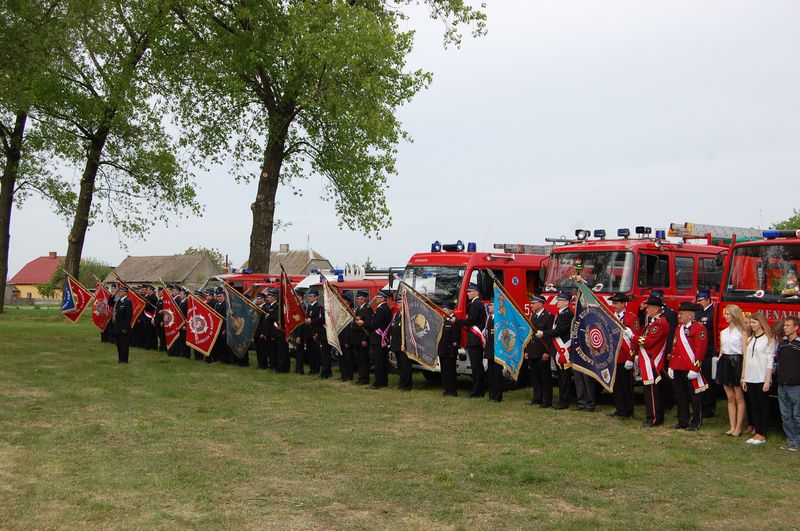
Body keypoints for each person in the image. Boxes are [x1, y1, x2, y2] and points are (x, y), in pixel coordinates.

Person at [668, 302, 708, 431]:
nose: (679, 316)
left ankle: (696, 422)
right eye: (680, 313)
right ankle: (682, 420)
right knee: (680, 396)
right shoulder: (678, 329)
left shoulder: (699, 328)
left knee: (695, 396)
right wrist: (671, 366)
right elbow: (674, 348)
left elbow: (700, 351)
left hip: (690, 368)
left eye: (682, 314)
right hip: (678, 367)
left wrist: (695, 368)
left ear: (691, 315)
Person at [636, 294, 671, 427]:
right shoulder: (654, 322)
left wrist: (632, 336)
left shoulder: (660, 323)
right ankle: (652, 416)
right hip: (649, 360)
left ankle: (655, 418)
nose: (647, 310)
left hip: (653, 361)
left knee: (652, 392)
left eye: (649, 308)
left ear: (656, 309)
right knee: (649, 391)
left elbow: (648, 342)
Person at [742, 312, 776, 445]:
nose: (751, 325)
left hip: (761, 377)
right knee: (753, 405)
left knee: (763, 405)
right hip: (750, 377)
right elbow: (747, 359)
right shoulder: (750, 339)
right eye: (750, 322)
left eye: (754, 322)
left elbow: (769, 362)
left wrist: (767, 380)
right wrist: (744, 377)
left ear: (761, 323)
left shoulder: (768, 340)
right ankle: (757, 432)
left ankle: (762, 433)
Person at [536, 292, 574, 410]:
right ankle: (562, 399)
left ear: (566, 302)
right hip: (558, 349)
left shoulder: (567, 314)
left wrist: (544, 333)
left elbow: (559, 330)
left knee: (564, 376)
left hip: (563, 349)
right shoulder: (561, 313)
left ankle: (564, 401)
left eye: (560, 300)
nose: (557, 302)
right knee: (561, 376)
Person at [718, 304, 749, 436]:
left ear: (734, 315)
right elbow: (721, 350)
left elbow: (745, 353)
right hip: (725, 362)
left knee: (739, 398)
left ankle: (738, 428)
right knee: (730, 397)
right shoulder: (723, 332)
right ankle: (732, 427)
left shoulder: (742, 332)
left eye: (728, 314)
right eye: (725, 314)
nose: (726, 316)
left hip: (737, 362)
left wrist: (743, 373)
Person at [452, 283, 487, 398]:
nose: (468, 293)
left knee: (476, 367)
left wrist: (457, 321)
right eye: (467, 292)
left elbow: (471, 321)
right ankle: (478, 390)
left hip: (475, 340)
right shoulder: (475, 304)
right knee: (477, 367)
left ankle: (477, 391)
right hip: (474, 338)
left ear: (476, 292)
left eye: (470, 291)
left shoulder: (476, 304)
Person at [608, 294, 639, 418]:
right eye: (613, 303)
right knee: (616, 384)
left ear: (623, 304)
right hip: (614, 356)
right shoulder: (611, 317)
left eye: (616, 303)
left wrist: (630, 359)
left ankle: (628, 410)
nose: (613, 306)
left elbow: (634, 340)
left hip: (626, 356)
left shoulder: (632, 318)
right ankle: (619, 408)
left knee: (627, 385)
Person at [776, 316, 800, 451]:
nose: (784, 328)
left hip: (796, 385)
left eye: (788, 325)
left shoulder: (798, 345)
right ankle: (791, 440)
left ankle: (797, 440)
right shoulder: (782, 344)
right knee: (785, 415)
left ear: (796, 327)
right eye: (784, 325)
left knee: (797, 415)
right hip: (782, 384)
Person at [526, 295, 554, 408]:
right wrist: (527, 350)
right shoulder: (533, 316)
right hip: (533, 350)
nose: (531, 305)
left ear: (541, 304)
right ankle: (537, 398)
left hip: (542, 352)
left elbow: (549, 336)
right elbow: (530, 334)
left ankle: (546, 400)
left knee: (545, 377)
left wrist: (547, 352)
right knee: (535, 376)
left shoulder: (548, 317)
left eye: (533, 303)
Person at [695, 291, 717, 418]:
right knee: (699, 379)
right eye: (698, 300)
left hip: (709, 351)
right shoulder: (698, 312)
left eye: (701, 300)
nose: (699, 302)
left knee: (708, 380)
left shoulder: (712, 312)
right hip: (699, 351)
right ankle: (701, 406)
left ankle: (709, 408)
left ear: (708, 300)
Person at [367, 291, 392, 389]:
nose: (376, 298)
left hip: (379, 338)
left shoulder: (382, 309)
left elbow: (375, 324)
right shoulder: (384, 308)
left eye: (378, 297)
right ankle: (383, 382)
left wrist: (364, 323)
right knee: (382, 361)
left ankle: (379, 383)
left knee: (379, 362)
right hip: (381, 339)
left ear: (383, 298)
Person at [352, 291, 374, 385]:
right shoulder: (358, 309)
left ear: (364, 299)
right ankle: (361, 376)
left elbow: (367, 325)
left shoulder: (367, 309)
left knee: (364, 359)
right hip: (357, 337)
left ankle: (365, 378)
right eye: (357, 299)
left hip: (363, 337)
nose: (357, 300)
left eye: (359, 298)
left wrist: (365, 339)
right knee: (359, 359)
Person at [390, 298, 411, 391]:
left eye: (400, 302)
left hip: (405, 344)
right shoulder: (397, 315)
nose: (398, 304)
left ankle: (406, 385)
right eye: (397, 303)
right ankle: (401, 384)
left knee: (406, 365)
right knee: (400, 365)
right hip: (397, 343)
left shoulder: (407, 315)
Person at [439, 302, 459, 396]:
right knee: (444, 371)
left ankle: (452, 390)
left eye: (445, 309)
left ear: (450, 310)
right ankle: (446, 389)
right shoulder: (444, 320)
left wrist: (453, 350)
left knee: (450, 371)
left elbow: (456, 337)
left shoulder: (454, 321)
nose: (443, 311)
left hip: (449, 350)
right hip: (443, 350)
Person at [485, 302, 502, 403]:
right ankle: (491, 395)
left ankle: (497, 396)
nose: (489, 307)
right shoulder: (490, 318)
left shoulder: (499, 319)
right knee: (490, 374)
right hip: (490, 349)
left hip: (497, 350)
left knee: (497, 374)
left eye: (491, 305)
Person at [112, 285, 133, 363]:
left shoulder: (128, 302)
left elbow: (128, 316)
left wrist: (125, 328)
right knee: (119, 344)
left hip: (124, 327)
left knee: (124, 344)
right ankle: (120, 359)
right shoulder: (119, 301)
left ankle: (124, 360)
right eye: (119, 292)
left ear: (125, 292)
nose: (119, 293)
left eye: (120, 292)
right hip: (117, 326)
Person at [254, 292, 270, 369]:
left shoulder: (266, 308)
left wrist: (263, 332)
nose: (257, 300)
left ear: (263, 299)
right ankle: (259, 363)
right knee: (258, 349)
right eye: (257, 298)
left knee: (263, 349)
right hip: (256, 331)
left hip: (261, 331)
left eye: (259, 298)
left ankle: (264, 364)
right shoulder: (256, 307)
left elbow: (265, 322)